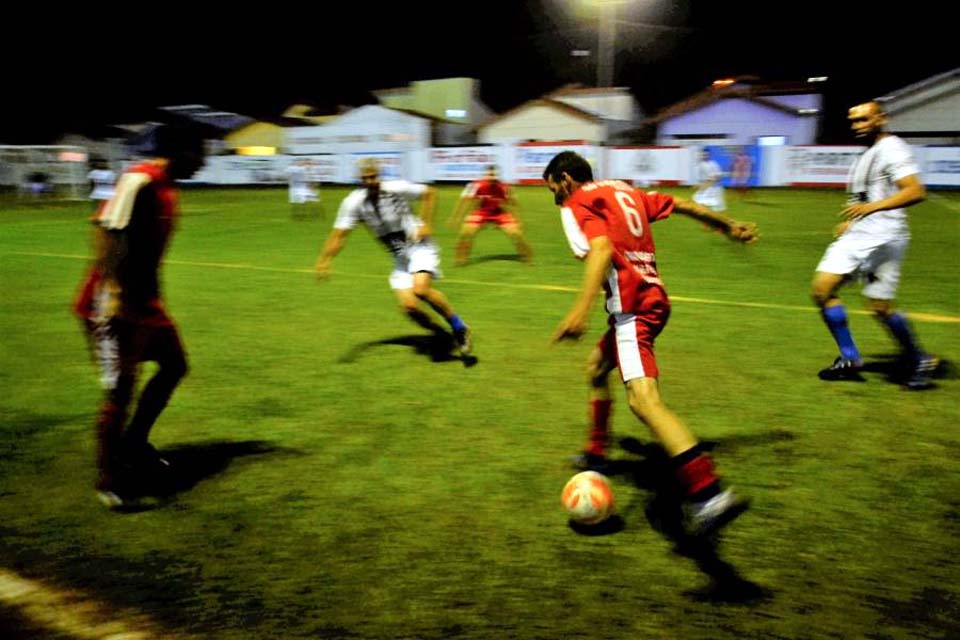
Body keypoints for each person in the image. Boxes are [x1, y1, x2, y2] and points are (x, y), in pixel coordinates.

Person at [542, 150, 758, 536]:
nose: (555, 198)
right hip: (653, 297)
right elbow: (684, 204)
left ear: (565, 179)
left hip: (632, 310)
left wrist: (580, 310)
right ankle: (597, 453)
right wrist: (727, 226)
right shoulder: (624, 190)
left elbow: (602, 249)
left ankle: (710, 494)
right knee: (595, 368)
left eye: (553, 189)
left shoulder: (579, 201)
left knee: (644, 401)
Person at [73, 123, 206, 508]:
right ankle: (109, 478)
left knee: (174, 365)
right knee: (120, 391)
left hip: (146, 303)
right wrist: (112, 287)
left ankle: (133, 443)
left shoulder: (168, 188)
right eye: (198, 153)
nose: (202, 162)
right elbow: (103, 228)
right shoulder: (140, 178)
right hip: (113, 303)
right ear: (179, 151)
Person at [811, 100, 938, 389]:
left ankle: (903, 358)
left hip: (880, 236)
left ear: (881, 118)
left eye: (864, 120)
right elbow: (865, 198)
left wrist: (871, 209)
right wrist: (854, 220)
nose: (857, 126)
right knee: (848, 297)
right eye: (854, 121)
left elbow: (916, 191)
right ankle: (866, 358)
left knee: (850, 298)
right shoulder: (868, 152)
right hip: (870, 235)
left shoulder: (892, 148)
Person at [314, 158, 472, 354]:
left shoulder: (395, 188)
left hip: (419, 246)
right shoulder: (353, 203)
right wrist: (325, 259)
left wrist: (425, 223)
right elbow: (339, 235)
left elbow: (430, 193)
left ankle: (459, 327)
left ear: (379, 176)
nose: (370, 181)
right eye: (365, 178)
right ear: (359, 180)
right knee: (409, 307)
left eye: (373, 177)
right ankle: (439, 333)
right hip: (400, 257)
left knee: (421, 290)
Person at [447, 164, 533, 265]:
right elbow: (463, 202)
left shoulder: (504, 187)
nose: (492, 177)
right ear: (485, 175)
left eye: (494, 175)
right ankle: (461, 259)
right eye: (490, 175)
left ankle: (526, 258)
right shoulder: (476, 185)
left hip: (499, 213)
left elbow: (513, 204)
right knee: (466, 233)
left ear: (497, 175)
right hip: (481, 212)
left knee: (516, 233)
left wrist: (518, 220)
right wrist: (455, 218)